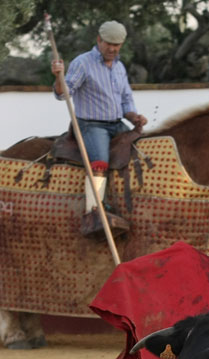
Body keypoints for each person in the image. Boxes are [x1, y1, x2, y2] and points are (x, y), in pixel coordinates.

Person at [51, 20, 148, 239]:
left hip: (117, 124)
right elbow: (63, 93)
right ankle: (93, 212)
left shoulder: (120, 67)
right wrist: (58, 77)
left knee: (140, 150)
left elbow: (126, 101)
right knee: (100, 161)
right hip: (91, 124)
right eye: (109, 44)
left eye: (117, 45)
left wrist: (135, 117)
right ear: (99, 40)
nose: (113, 49)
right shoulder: (83, 63)